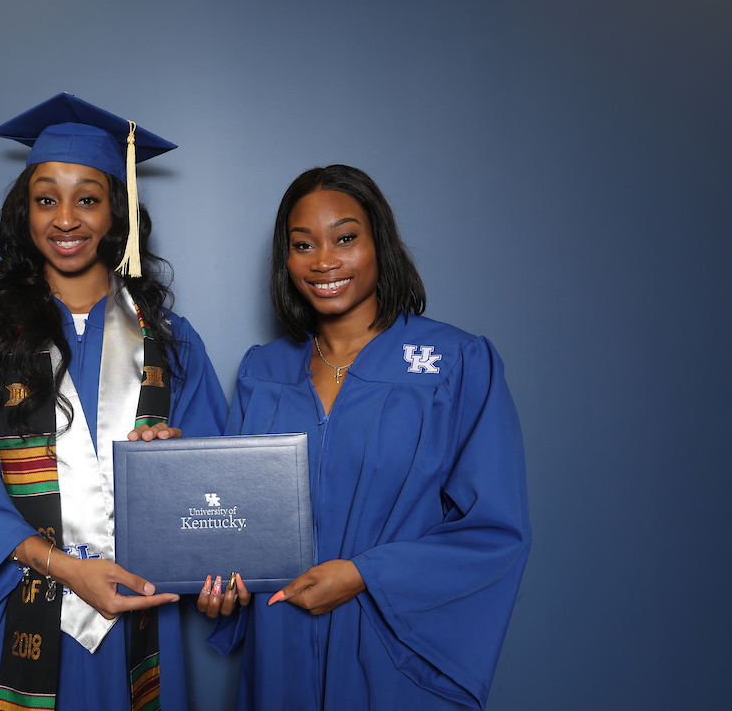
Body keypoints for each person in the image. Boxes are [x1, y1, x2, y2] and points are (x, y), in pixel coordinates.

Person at [0, 94, 228, 711]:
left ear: (117, 211)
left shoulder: (171, 341)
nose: (66, 219)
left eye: (88, 199)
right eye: (46, 199)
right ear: (23, 211)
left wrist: (175, 470)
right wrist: (66, 568)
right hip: (12, 617)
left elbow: (217, 499)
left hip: (136, 614)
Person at [203, 165, 530, 710]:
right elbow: (235, 518)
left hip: (391, 647)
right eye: (303, 244)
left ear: (380, 244)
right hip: (280, 643)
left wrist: (364, 575)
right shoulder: (264, 371)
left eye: (345, 238)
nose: (324, 261)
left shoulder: (454, 363)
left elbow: (494, 528)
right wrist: (219, 585)